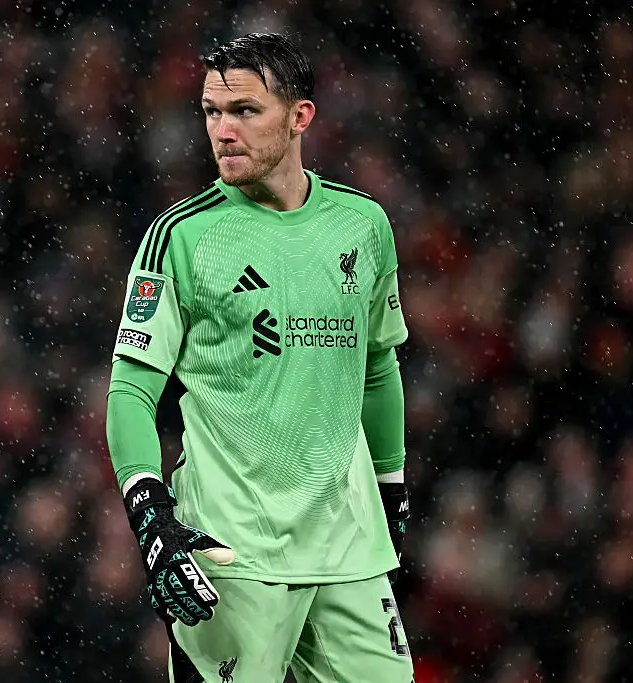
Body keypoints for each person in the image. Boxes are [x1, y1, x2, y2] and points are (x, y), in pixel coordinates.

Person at [105, 32, 414, 683]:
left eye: (244, 110)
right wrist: (148, 507)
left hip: (348, 550)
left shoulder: (364, 226)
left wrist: (390, 482)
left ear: (300, 116)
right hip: (231, 554)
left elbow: (378, 366)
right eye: (211, 112)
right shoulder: (181, 237)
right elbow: (131, 390)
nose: (222, 129)